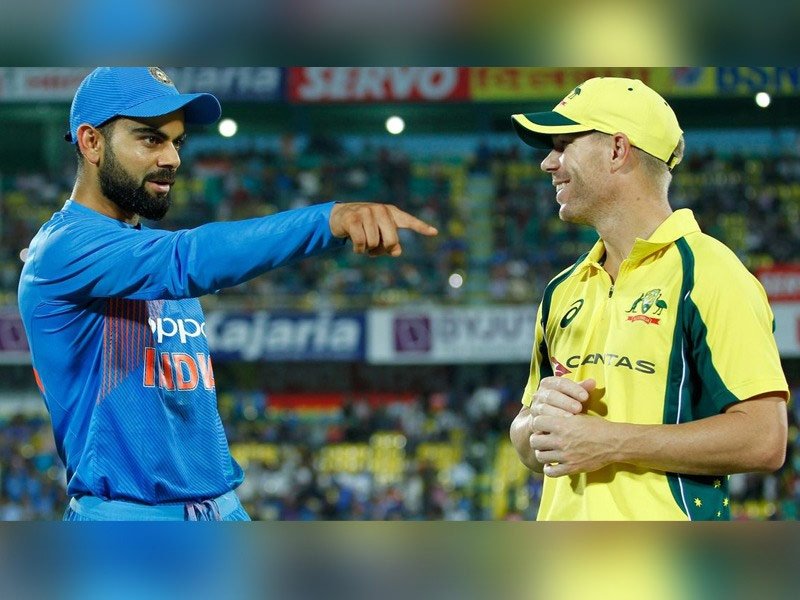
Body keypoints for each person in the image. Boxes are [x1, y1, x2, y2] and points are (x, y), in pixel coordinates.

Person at [17, 67, 438, 521]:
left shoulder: (144, 249)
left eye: (177, 142)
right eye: (151, 139)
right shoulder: (63, 250)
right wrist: (328, 220)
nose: (172, 158)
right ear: (91, 142)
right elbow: (188, 258)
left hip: (220, 508)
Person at [508, 77, 788, 520]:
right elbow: (527, 440)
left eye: (563, 145)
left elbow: (764, 439)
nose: (548, 163)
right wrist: (533, 422)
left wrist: (611, 443)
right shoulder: (562, 288)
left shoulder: (710, 273)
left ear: (618, 150)